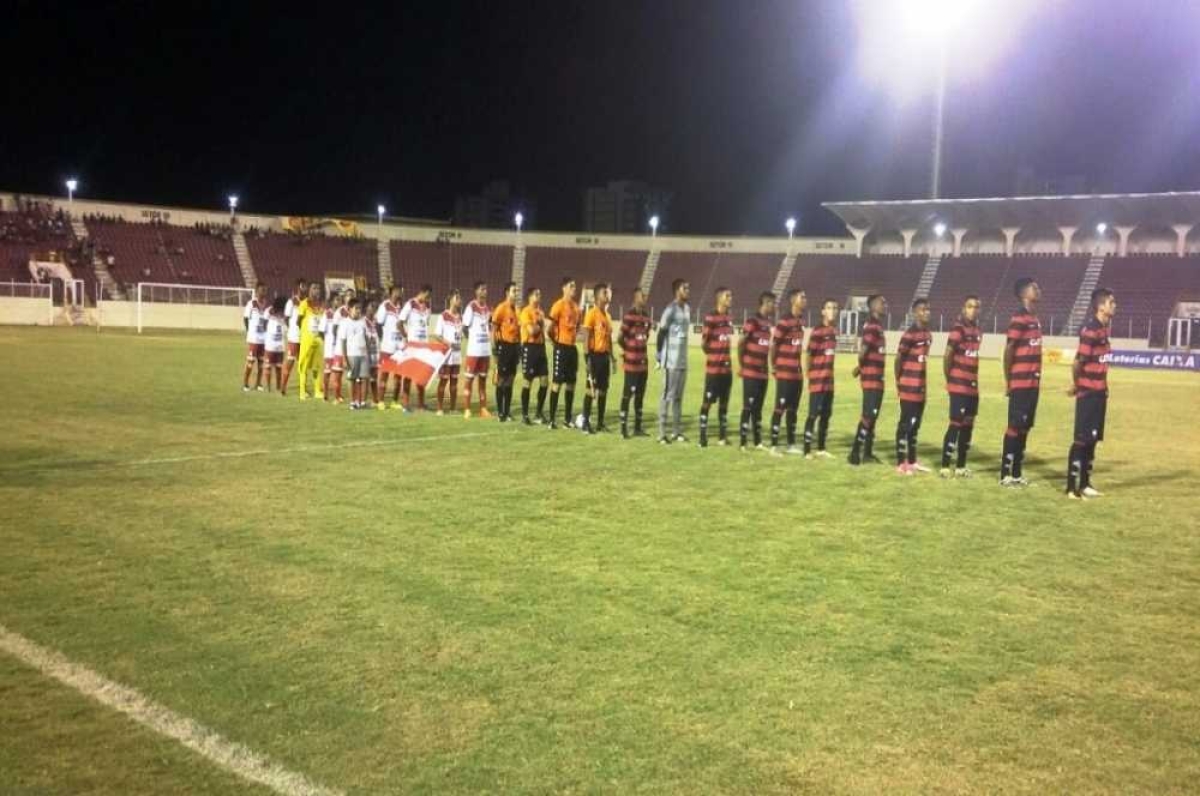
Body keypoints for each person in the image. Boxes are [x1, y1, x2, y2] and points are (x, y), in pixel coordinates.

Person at [1067, 288, 1116, 500]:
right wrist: (1079, 384)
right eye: (1111, 302)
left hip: (1099, 393)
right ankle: (1071, 487)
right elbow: (1078, 362)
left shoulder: (1104, 329)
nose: (1115, 305)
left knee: (1093, 439)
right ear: (1101, 306)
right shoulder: (1091, 330)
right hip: (1088, 393)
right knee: (1081, 439)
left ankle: (1085, 483)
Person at [1000, 278, 1043, 487]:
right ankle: (1005, 473)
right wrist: (1009, 381)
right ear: (1024, 293)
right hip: (1020, 383)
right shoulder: (1019, 317)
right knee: (1015, 427)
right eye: (1034, 287)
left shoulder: (1035, 318)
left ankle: (1017, 472)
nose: (1038, 290)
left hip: (1033, 384)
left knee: (1025, 427)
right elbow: (1009, 349)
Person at [940, 295, 983, 478]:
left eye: (976, 307)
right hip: (959, 385)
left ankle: (961, 465)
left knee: (968, 425)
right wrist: (950, 378)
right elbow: (948, 354)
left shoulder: (978, 331)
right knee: (955, 424)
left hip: (973, 386)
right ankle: (944, 465)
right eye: (970, 306)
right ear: (964, 308)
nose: (973, 310)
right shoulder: (958, 329)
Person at [895, 298, 933, 475]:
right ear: (915, 312)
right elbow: (898, 359)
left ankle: (912, 460)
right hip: (908, 387)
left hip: (921, 388)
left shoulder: (928, 335)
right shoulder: (909, 335)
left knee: (915, 425)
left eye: (928, 309)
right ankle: (900, 463)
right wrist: (899, 381)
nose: (927, 312)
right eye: (923, 310)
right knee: (905, 425)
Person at [849, 295, 888, 465]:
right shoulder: (872, 325)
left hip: (877, 377)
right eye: (882, 302)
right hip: (872, 378)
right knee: (868, 415)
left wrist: (859, 368)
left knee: (873, 416)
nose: (885, 305)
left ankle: (867, 453)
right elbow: (862, 352)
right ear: (873, 306)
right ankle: (855, 452)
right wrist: (862, 367)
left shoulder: (877, 325)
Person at [769, 289, 806, 456]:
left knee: (793, 409)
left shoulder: (800, 322)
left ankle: (791, 444)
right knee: (780, 408)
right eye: (802, 297)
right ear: (793, 301)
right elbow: (774, 345)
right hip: (785, 372)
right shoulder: (784, 321)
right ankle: (774, 446)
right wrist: (774, 366)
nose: (805, 299)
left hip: (797, 374)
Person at [697, 287, 735, 448]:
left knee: (724, 403)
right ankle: (702, 437)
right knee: (707, 402)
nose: (730, 298)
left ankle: (722, 436)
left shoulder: (728, 318)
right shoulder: (710, 317)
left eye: (730, 296)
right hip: (714, 370)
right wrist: (714, 357)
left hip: (727, 370)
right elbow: (704, 344)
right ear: (719, 298)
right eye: (727, 296)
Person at [656, 279, 691, 443]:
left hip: (683, 360)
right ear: (677, 290)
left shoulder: (688, 309)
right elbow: (661, 332)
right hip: (671, 361)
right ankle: (661, 433)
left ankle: (676, 432)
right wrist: (658, 355)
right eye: (685, 288)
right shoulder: (670, 309)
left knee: (678, 398)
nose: (688, 291)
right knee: (666, 396)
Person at [739, 291, 775, 451]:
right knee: (748, 406)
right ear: (766, 303)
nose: (774, 306)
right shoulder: (752, 321)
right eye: (772, 303)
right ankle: (742, 442)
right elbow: (741, 343)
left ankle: (757, 441)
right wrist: (742, 364)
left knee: (758, 408)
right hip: (751, 372)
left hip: (763, 373)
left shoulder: (768, 323)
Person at [803, 298, 838, 458]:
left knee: (826, 415)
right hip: (817, 380)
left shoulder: (833, 331)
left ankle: (821, 448)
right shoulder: (817, 331)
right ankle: (806, 450)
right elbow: (809, 354)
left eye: (835, 308)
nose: (832, 311)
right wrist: (809, 375)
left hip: (829, 382)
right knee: (813, 414)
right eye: (829, 308)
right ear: (823, 311)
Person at [546, 277, 581, 430]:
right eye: (571, 286)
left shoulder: (576, 308)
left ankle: (567, 419)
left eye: (574, 286)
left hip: (572, 349)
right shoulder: (558, 306)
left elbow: (577, 327)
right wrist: (556, 343)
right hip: (561, 347)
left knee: (571, 384)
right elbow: (549, 329)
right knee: (557, 383)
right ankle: (552, 419)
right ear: (564, 288)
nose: (574, 288)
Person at [618, 288, 652, 439]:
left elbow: (646, 336)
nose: (645, 298)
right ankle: (624, 427)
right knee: (628, 394)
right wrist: (628, 350)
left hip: (643, 363)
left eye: (645, 295)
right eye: (642, 296)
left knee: (640, 395)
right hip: (631, 363)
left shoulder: (646, 317)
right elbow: (620, 337)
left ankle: (638, 427)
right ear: (635, 297)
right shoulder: (629, 316)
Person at [581, 282, 614, 434]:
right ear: (596, 297)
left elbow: (608, 339)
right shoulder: (591, 314)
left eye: (607, 294)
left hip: (604, 357)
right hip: (593, 356)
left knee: (603, 390)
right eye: (604, 294)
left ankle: (600, 422)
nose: (607, 296)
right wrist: (587, 357)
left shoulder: (607, 316)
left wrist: (612, 358)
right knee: (590, 390)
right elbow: (586, 336)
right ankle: (585, 422)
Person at [461, 282, 493, 419]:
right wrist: (472, 341)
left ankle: (483, 409)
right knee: (469, 380)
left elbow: (489, 328)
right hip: (474, 351)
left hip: (485, 351)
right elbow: (464, 327)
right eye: (482, 289)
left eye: (485, 289)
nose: (484, 291)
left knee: (483, 381)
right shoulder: (471, 307)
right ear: (476, 291)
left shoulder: (487, 309)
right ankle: (467, 409)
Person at [398, 284, 432, 410]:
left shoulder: (428, 307)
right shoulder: (410, 304)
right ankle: (405, 403)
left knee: (421, 375)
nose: (428, 299)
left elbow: (425, 326)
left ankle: (421, 403)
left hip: (423, 347)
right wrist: (406, 337)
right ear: (422, 292)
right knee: (408, 375)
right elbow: (399, 323)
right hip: (412, 346)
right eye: (427, 296)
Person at [519, 287, 549, 425]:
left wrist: (540, 325)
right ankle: (525, 414)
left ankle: (538, 412)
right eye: (536, 294)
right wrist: (539, 324)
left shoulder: (540, 312)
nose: (539, 296)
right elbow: (531, 331)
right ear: (530, 297)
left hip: (540, 348)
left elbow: (542, 331)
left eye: (540, 294)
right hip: (530, 348)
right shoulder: (526, 311)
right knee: (528, 381)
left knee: (544, 381)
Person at [491, 282, 521, 422]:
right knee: (501, 380)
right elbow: (493, 329)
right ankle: (500, 411)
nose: (516, 293)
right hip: (504, 346)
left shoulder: (517, 310)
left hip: (514, 348)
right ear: (507, 293)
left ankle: (507, 411)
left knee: (510, 380)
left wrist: (519, 347)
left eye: (517, 291)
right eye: (514, 291)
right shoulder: (501, 308)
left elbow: (519, 329)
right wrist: (494, 348)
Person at [375, 284, 406, 410]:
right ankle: (381, 401)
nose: (399, 293)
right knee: (384, 374)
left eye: (400, 291)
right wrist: (382, 339)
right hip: (387, 347)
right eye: (397, 291)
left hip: (399, 347)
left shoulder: (401, 307)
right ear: (391, 292)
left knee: (398, 376)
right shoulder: (385, 305)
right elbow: (378, 323)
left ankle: (394, 401)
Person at [339, 298, 371, 409]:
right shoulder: (344, 323)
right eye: (356, 308)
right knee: (352, 379)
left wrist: (369, 353)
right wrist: (344, 358)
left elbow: (367, 338)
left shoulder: (363, 322)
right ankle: (353, 402)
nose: (358, 311)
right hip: (351, 354)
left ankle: (362, 402)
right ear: (349, 309)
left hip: (363, 354)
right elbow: (343, 342)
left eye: (360, 308)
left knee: (363, 378)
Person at [295, 283, 325, 401]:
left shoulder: (322, 305)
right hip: (307, 339)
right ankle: (302, 392)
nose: (316, 290)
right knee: (304, 365)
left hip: (319, 339)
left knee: (317, 366)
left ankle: (317, 391)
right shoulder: (304, 303)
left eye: (318, 288)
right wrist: (305, 332)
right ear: (309, 290)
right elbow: (298, 321)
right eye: (314, 288)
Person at [435, 290, 463, 415]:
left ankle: (452, 408)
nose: (459, 300)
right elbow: (437, 335)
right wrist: (448, 343)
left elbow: (460, 334)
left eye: (459, 298)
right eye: (457, 298)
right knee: (443, 381)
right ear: (451, 299)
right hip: (446, 355)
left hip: (457, 354)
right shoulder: (443, 316)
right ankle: (440, 408)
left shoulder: (460, 317)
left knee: (455, 382)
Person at [280, 278, 308, 396]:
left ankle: (303, 389)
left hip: (304, 338)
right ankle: (283, 387)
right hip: (294, 337)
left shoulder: (307, 302)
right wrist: (292, 330)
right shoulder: (291, 302)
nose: (304, 288)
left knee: (303, 364)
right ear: (298, 287)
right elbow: (286, 318)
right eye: (303, 286)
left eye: (306, 286)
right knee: (290, 362)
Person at [242, 282, 268, 392]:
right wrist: (249, 331)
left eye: (265, 290)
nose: (264, 292)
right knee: (251, 361)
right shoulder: (251, 304)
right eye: (262, 290)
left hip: (263, 339)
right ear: (257, 291)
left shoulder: (266, 304)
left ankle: (258, 384)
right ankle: (246, 383)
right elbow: (246, 318)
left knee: (261, 362)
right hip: (254, 339)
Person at [262, 296, 287, 392]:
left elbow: (286, 324)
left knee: (279, 368)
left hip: (280, 346)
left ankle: (278, 386)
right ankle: (268, 387)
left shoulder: (284, 313)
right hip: (270, 346)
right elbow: (264, 324)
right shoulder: (269, 311)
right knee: (268, 366)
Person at [364, 296, 381, 406]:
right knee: (365, 377)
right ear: (366, 307)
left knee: (374, 377)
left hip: (375, 352)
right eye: (372, 306)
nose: (374, 309)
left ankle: (375, 400)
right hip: (366, 352)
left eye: (375, 307)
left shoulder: (376, 321)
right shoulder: (362, 321)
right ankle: (363, 400)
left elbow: (379, 335)